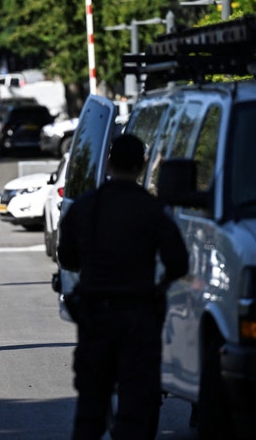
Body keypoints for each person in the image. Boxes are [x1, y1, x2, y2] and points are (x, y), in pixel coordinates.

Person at [58, 135, 188, 439]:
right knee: (137, 407)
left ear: (109, 162)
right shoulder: (153, 209)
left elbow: (67, 256)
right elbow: (179, 262)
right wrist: (159, 287)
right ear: (141, 165)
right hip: (139, 317)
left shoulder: (85, 206)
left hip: (95, 316)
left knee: (91, 408)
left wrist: (92, 271)